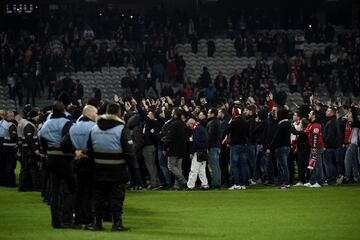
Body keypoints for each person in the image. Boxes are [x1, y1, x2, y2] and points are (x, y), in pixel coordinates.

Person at [88, 103, 137, 231]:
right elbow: (129, 152)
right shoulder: (121, 129)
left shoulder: (94, 128)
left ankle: (97, 223)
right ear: (119, 114)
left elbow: (90, 151)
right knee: (116, 198)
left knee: (98, 197)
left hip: (99, 169)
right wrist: (134, 170)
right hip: (117, 170)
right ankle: (117, 224)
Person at [38, 101, 75, 228]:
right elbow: (69, 140)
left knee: (55, 190)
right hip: (65, 158)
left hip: (51, 158)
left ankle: (55, 221)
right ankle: (67, 219)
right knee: (71, 189)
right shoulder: (67, 123)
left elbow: (41, 140)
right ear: (64, 110)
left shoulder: (46, 124)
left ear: (52, 111)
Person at [67, 105, 98, 226]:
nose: (97, 115)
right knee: (90, 192)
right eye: (95, 113)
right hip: (90, 162)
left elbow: (65, 143)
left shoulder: (73, 127)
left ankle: (78, 218)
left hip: (76, 162)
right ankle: (89, 219)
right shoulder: (94, 127)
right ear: (89, 114)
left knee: (79, 191)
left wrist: (75, 151)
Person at [223, 107, 250, 190]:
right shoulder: (245, 122)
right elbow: (248, 134)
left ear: (234, 114)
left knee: (234, 165)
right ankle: (243, 184)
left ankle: (237, 183)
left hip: (235, 146)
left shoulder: (233, 122)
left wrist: (229, 123)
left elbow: (226, 131)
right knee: (243, 165)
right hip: (244, 145)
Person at [16, 110, 41, 192]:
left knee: (25, 169)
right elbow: (29, 139)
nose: (38, 117)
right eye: (37, 115)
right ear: (34, 116)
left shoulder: (28, 124)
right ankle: (36, 187)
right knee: (33, 169)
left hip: (26, 150)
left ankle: (22, 187)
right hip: (29, 151)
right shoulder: (29, 125)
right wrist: (35, 149)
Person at [164, 108, 189, 190]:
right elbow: (187, 136)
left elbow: (170, 137)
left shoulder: (173, 124)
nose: (171, 114)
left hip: (173, 149)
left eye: (172, 112)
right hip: (182, 149)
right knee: (178, 168)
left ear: (175, 114)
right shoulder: (184, 124)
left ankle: (183, 181)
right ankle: (178, 185)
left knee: (171, 166)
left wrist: (165, 146)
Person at [270, 108, 291, 189]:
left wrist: (271, 145)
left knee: (283, 166)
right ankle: (283, 182)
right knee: (283, 165)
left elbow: (277, 137)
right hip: (287, 147)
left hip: (281, 147)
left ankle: (285, 183)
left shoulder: (282, 124)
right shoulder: (288, 123)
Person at [187, 118, 209, 190]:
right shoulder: (201, 128)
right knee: (202, 169)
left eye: (189, 125)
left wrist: (191, 152)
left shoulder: (197, 129)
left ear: (191, 123)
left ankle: (190, 186)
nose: (190, 127)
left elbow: (195, 142)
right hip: (204, 151)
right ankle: (205, 185)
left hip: (198, 152)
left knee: (194, 169)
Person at [304, 110, 324, 188]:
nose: (308, 114)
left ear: (314, 115)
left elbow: (316, 137)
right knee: (311, 164)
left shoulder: (316, 125)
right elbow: (305, 131)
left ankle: (319, 182)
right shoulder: (312, 124)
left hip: (316, 147)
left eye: (310, 113)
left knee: (318, 165)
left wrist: (314, 148)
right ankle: (312, 181)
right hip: (313, 147)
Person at [323, 107, 342, 184]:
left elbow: (330, 136)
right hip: (336, 145)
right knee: (331, 163)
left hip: (329, 146)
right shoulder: (335, 121)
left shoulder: (330, 122)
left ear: (332, 113)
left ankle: (330, 179)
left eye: (328, 111)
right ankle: (337, 175)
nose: (326, 112)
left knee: (327, 163)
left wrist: (325, 145)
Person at [0, 110, 18, 187]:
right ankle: (10, 182)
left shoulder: (5, 124)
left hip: (4, 145)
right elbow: (13, 137)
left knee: (3, 164)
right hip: (9, 146)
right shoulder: (9, 124)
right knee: (10, 165)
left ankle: (3, 181)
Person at [206, 108, 222, 188]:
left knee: (214, 165)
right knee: (216, 165)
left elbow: (210, 136)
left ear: (213, 114)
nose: (207, 114)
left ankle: (215, 183)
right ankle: (218, 181)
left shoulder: (212, 123)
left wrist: (207, 146)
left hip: (212, 146)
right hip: (217, 146)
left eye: (209, 113)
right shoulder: (217, 121)